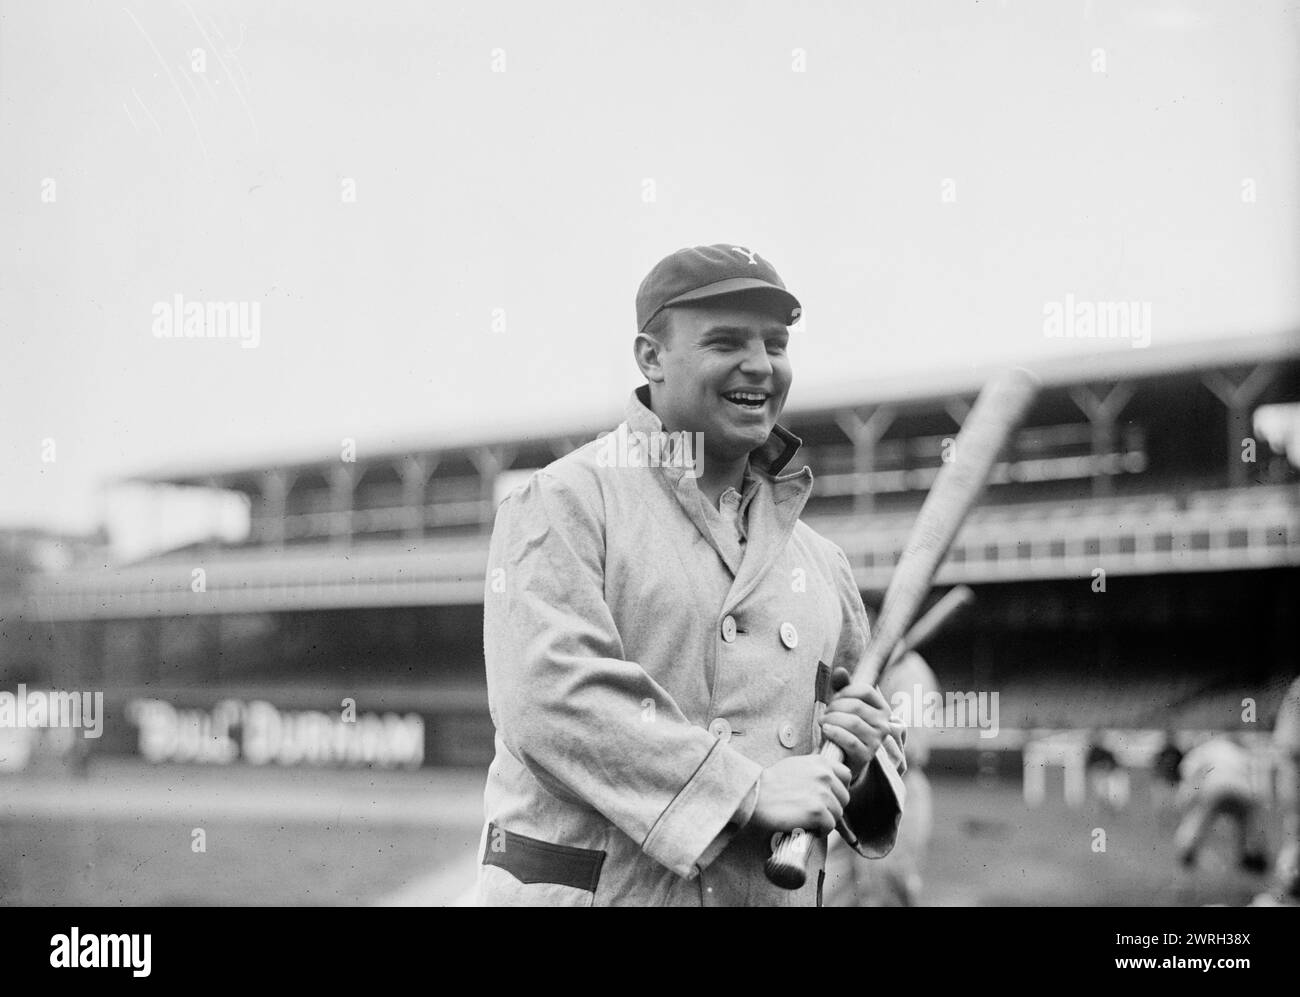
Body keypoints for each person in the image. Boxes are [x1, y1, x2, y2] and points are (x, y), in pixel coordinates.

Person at [475, 244, 907, 906]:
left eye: (776, 342)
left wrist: (864, 755)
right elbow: (549, 697)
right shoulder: (564, 502)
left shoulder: (821, 563)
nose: (759, 365)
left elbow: (860, 778)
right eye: (726, 341)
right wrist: (747, 790)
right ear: (651, 357)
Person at [824, 649, 936, 906]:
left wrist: (870, 733)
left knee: (885, 890)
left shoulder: (911, 672)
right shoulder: (865, 664)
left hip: (900, 794)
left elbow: (914, 747)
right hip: (854, 794)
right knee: (837, 891)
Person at [1174, 733, 1267, 874]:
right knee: (1247, 824)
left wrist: (1186, 797)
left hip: (1216, 788)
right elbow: (1257, 779)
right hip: (1243, 790)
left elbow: (1189, 770)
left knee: (1199, 819)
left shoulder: (1206, 749)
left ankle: (1187, 851)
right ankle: (1252, 855)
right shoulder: (1241, 751)